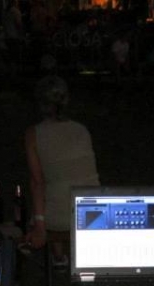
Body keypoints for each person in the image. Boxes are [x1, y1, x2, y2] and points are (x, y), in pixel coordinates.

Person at [24, 76, 100, 264]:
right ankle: (67, 257)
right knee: (64, 185)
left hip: (60, 217)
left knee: (53, 195)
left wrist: (39, 224)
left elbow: (37, 183)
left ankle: (58, 257)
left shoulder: (33, 134)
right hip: (94, 212)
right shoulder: (82, 130)